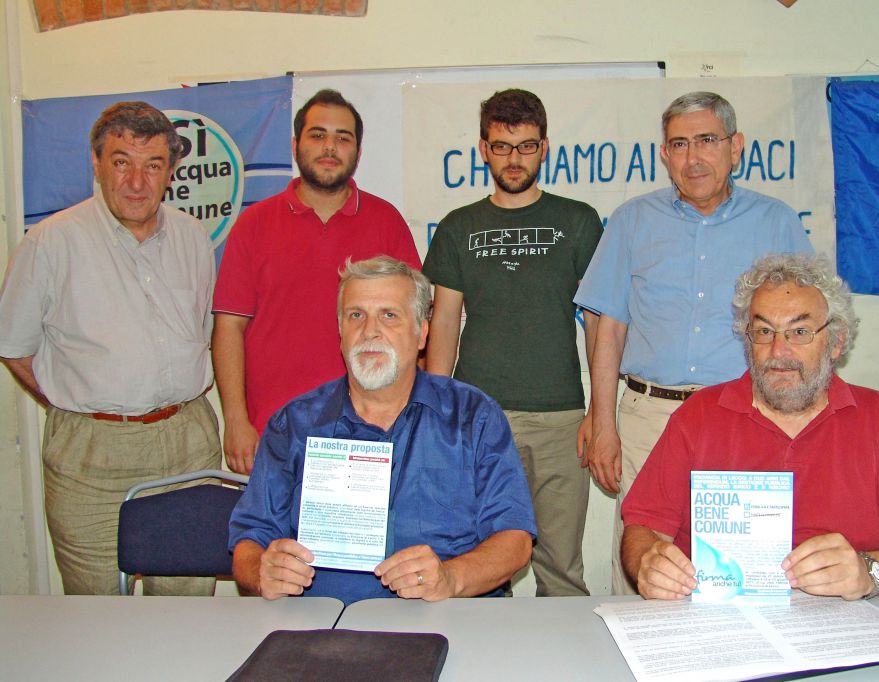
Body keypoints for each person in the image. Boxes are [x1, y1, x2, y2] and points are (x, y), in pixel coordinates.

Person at [574, 91, 814, 593]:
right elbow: (608, 328)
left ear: (735, 147)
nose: (693, 158)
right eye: (679, 145)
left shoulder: (776, 222)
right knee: (643, 566)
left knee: (743, 573)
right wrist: (603, 423)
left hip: (744, 419)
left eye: (707, 140)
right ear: (664, 155)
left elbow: (805, 327)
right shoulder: (631, 221)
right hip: (649, 417)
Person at [622, 253, 879, 601]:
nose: (778, 351)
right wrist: (649, 563)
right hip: (723, 618)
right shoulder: (698, 417)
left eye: (799, 332)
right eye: (764, 331)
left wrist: (870, 572)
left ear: (836, 343)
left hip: (847, 616)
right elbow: (642, 528)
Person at [0, 101, 222, 595]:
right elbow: (14, 347)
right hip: (90, 457)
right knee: (96, 609)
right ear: (97, 164)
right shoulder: (51, 241)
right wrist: (83, 404)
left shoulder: (193, 238)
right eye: (122, 162)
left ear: (171, 172)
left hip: (187, 443)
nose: (137, 182)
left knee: (187, 606)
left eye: (153, 165)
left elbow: (203, 331)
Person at [230, 256, 536, 604]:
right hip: (325, 620)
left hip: (447, 617)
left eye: (389, 315)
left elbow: (515, 540)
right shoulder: (294, 425)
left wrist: (451, 578)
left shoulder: (473, 417)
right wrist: (262, 572)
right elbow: (249, 539)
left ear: (422, 333)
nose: (370, 331)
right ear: (340, 332)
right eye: (356, 315)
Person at [423, 89, 602, 596]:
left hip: (560, 419)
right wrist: (435, 410)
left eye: (526, 146)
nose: (514, 159)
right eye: (502, 146)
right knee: (478, 569)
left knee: (561, 571)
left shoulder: (578, 221)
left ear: (544, 148)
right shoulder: (459, 227)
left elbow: (598, 323)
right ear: (484, 149)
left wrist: (599, 411)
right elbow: (444, 322)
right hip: (478, 419)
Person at [213, 89, 421, 475]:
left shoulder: (386, 221)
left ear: (358, 152)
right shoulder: (253, 224)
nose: (330, 147)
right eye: (318, 135)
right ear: (295, 145)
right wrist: (236, 421)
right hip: (274, 431)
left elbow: (413, 325)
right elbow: (228, 328)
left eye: (343, 138)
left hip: (370, 434)